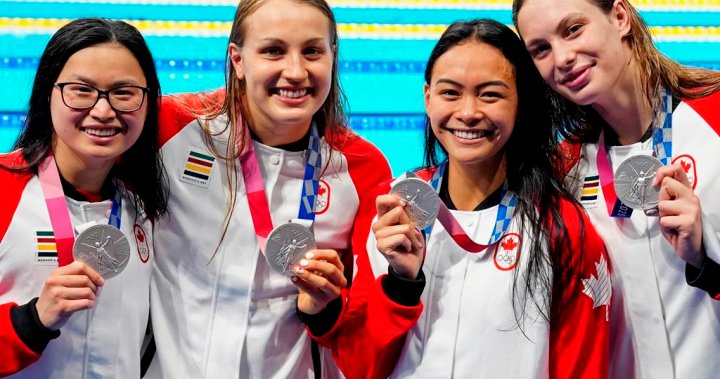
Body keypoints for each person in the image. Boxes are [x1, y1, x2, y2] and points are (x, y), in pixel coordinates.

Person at [307, 19, 611, 379]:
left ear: (521, 103)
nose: (468, 112)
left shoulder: (562, 227)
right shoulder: (389, 209)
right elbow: (360, 366)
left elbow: (583, 368)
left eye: (490, 94)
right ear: (428, 97)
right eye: (450, 92)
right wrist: (402, 284)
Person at [145, 0, 391, 378]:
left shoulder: (361, 167)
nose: (295, 72)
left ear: (333, 56)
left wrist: (327, 308)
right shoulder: (171, 127)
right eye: (273, 51)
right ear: (238, 60)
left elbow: (367, 330)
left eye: (312, 51)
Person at [512, 0, 720, 377]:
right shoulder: (563, 171)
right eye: (540, 49)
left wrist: (707, 259)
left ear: (620, 17)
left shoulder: (714, 118)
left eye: (573, 29)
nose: (562, 58)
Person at [0, 18, 167, 378]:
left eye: (124, 93)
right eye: (81, 90)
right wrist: (31, 320)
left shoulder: (149, 208)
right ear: (49, 92)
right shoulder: (4, 187)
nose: (103, 111)